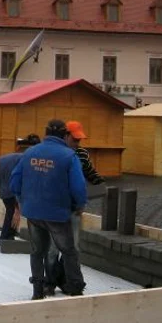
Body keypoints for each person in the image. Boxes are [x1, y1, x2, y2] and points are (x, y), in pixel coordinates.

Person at [10, 119, 87, 300]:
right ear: (64, 135)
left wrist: (21, 200)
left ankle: (38, 290)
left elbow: (15, 180)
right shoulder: (69, 156)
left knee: (37, 251)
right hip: (57, 214)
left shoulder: (30, 152)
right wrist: (80, 204)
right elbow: (78, 186)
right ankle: (76, 289)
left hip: (33, 213)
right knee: (69, 251)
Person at [45, 120, 104, 296]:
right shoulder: (56, 154)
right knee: (53, 248)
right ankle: (49, 282)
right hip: (55, 209)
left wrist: (100, 184)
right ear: (65, 136)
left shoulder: (82, 154)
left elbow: (90, 173)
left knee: (73, 248)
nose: (77, 143)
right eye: (75, 139)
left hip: (74, 210)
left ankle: (65, 280)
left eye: (79, 140)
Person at [0, 134, 41, 246]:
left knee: (14, 206)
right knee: (11, 207)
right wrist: (18, 208)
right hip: (0, 171)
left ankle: (10, 234)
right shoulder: (25, 163)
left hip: (7, 170)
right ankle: (4, 238)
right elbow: (15, 185)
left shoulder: (31, 161)